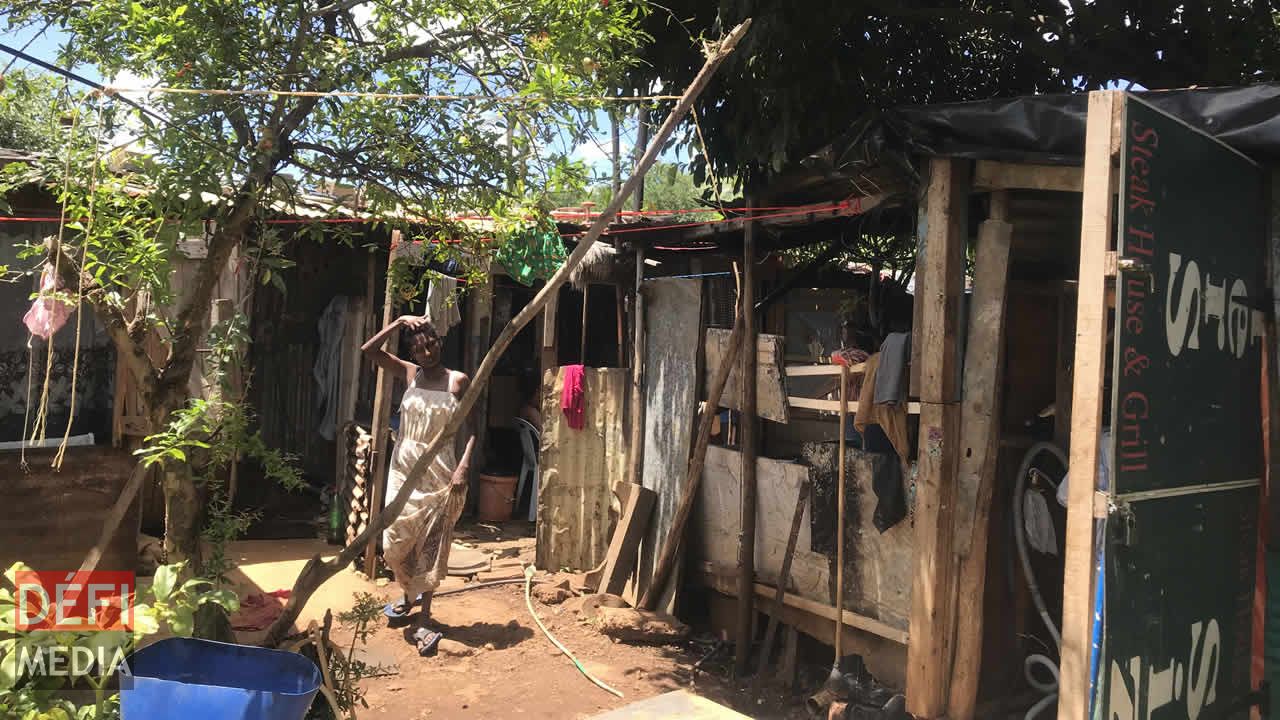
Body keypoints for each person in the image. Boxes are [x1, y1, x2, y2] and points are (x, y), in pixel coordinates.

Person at [361, 313, 475, 656]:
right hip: (404, 469)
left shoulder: (458, 381)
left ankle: (424, 617)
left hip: (440, 470)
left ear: (440, 343)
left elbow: (470, 429)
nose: (426, 352)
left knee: (431, 546)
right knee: (395, 540)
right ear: (413, 352)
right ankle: (409, 595)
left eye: (431, 345)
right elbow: (370, 351)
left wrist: (464, 466)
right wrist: (397, 324)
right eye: (419, 348)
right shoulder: (410, 374)